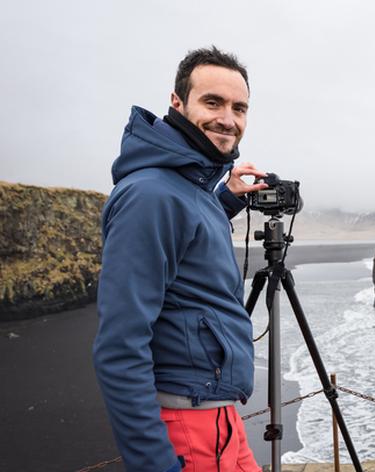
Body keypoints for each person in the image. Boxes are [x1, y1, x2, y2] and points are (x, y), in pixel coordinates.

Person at [93, 46, 267, 472]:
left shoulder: (189, 186)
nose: (228, 118)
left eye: (239, 107)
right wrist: (155, 463)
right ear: (177, 102)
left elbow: (187, 249)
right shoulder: (152, 195)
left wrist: (225, 200)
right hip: (187, 424)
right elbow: (119, 345)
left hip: (220, 418)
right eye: (212, 102)